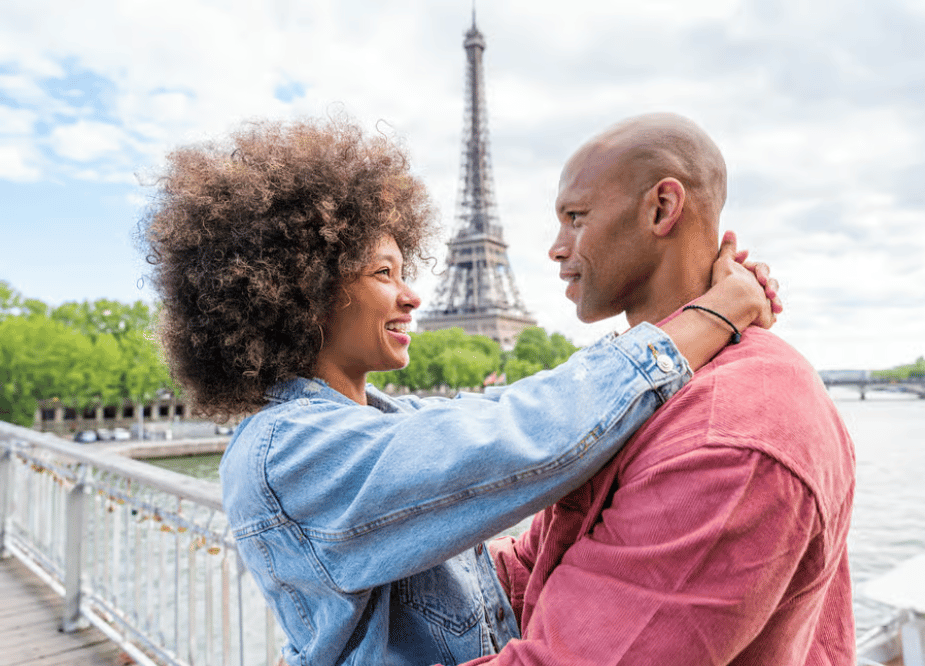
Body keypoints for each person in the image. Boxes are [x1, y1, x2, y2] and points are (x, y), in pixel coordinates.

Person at [141, 115, 779, 666]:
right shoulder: (288, 453)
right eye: (384, 273)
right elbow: (526, 433)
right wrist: (715, 313)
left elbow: (518, 413)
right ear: (307, 294)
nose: (412, 295)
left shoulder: (380, 421)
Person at [463, 113, 856, 665]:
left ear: (662, 208)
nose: (556, 247)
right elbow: (539, 562)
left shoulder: (730, 438)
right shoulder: (659, 389)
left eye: (576, 218)